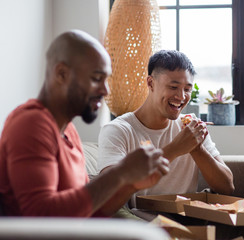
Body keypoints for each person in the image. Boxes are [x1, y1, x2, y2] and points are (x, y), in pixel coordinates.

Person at [0, 30, 169, 217]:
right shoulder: (30, 125)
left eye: (107, 80)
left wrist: (130, 183)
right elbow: (41, 216)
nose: (105, 90)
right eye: (97, 78)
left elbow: (88, 212)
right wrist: (120, 172)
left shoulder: (68, 130)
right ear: (61, 74)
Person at [97, 50, 234, 209]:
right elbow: (108, 193)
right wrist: (175, 149)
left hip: (187, 220)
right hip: (143, 223)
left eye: (187, 89)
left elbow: (227, 187)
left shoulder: (190, 127)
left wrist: (197, 148)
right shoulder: (118, 130)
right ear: (150, 83)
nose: (181, 96)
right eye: (173, 87)